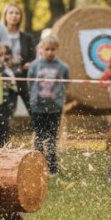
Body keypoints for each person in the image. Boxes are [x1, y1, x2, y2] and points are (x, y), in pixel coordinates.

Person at [27, 35, 69, 176]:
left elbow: (66, 83)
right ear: (41, 49)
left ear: (57, 49)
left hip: (54, 108)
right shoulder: (35, 65)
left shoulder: (62, 67)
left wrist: (59, 97)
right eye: (47, 49)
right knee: (39, 136)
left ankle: (52, 167)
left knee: (51, 137)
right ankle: (37, 165)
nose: (50, 52)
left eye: (53, 49)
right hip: (38, 107)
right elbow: (29, 82)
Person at [2, 3, 37, 113]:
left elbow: (33, 58)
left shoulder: (27, 37)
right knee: (7, 107)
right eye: (11, 12)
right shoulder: (0, 35)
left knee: (31, 105)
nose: (14, 16)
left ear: (21, 16)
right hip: (5, 76)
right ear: (5, 15)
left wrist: (29, 64)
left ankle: (38, 129)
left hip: (23, 76)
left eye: (17, 13)